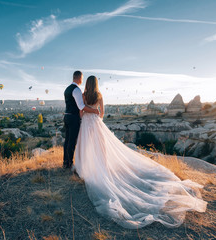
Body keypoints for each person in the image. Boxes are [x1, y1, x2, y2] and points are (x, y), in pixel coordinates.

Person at [74, 75, 207, 229]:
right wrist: (96, 115)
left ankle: (86, 169)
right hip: (97, 124)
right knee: (101, 148)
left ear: (87, 84)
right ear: (96, 84)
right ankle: (103, 167)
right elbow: (102, 113)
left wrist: (87, 116)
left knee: (87, 147)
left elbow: (81, 113)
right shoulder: (100, 95)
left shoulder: (84, 96)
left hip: (86, 124)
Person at [63, 71, 99, 169]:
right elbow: (81, 106)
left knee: (67, 140)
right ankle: (69, 163)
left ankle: (65, 162)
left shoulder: (67, 89)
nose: (82, 80)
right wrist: (94, 111)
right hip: (74, 117)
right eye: (82, 78)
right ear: (79, 78)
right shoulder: (77, 90)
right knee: (72, 141)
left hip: (66, 116)